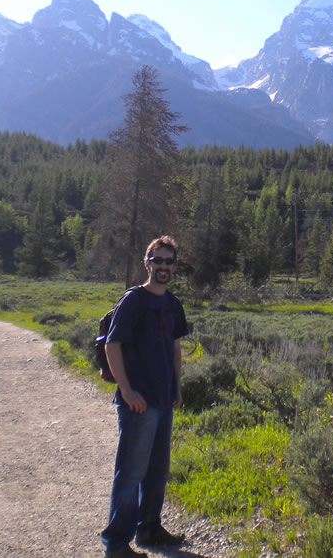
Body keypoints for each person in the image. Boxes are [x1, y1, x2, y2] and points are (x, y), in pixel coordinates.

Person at [101, 235, 189, 557]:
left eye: (169, 261)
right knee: (131, 473)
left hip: (163, 399)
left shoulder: (173, 304)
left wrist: (176, 387)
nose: (163, 266)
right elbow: (112, 345)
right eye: (158, 260)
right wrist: (126, 389)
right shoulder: (133, 301)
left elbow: (176, 348)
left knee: (156, 471)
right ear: (146, 262)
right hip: (138, 402)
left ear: (174, 266)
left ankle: (149, 529)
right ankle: (116, 542)